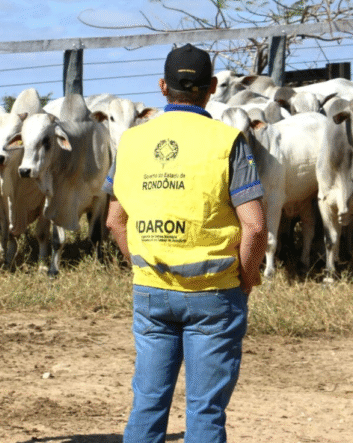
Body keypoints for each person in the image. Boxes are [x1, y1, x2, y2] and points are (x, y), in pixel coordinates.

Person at [103, 43, 267, 443]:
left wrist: (140, 264)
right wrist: (245, 279)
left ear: (162, 87)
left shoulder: (132, 142)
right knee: (206, 411)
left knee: (147, 403)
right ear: (212, 87)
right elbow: (256, 227)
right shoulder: (228, 141)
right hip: (215, 293)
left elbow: (114, 221)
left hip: (152, 290)